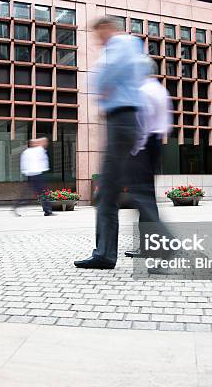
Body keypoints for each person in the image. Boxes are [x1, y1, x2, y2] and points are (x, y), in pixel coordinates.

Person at [74, 16, 148, 269]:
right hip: (125, 120)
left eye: (98, 34)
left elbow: (104, 74)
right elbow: (143, 67)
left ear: (107, 29)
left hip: (121, 120)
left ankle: (105, 255)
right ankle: (105, 253)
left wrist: (102, 85)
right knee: (117, 189)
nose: (98, 40)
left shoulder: (120, 44)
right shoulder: (132, 46)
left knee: (108, 190)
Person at [125, 58, 173, 258]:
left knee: (141, 198)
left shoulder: (144, 91)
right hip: (155, 144)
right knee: (146, 197)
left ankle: (166, 242)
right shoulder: (161, 90)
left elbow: (142, 124)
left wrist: (134, 150)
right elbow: (167, 122)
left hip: (143, 147)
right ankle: (149, 246)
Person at [14, 137, 53, 216]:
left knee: (42, 193)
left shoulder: (36, 150)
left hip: (37, 175)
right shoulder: (31, 151)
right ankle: (17, 206)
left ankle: (47, 210)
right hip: (35, 175)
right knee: (34, 194)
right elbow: (25, 164)